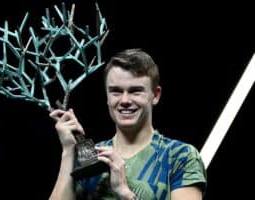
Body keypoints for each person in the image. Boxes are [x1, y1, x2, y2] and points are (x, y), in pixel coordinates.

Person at [49, 49, 207, 200]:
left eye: (135, 91)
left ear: (155, 95)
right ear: (107, 97)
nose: (124, 100)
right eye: (116, 91)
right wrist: (69, 149)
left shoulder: (181, 156)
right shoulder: (91, 156)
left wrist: (124, 192)